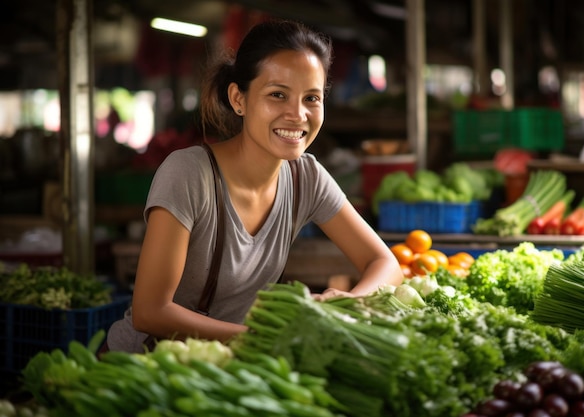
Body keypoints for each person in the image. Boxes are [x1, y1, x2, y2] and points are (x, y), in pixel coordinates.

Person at [105, 19, 404, 353]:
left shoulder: (306, 177)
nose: (298, 114)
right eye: (278, 95)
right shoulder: (189, 174)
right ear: (239, 99)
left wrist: (348, 302)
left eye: (311, 98)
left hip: (228, 365)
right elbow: (150, 311)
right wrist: (258, 338)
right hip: (147, 368)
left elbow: (386, 264)